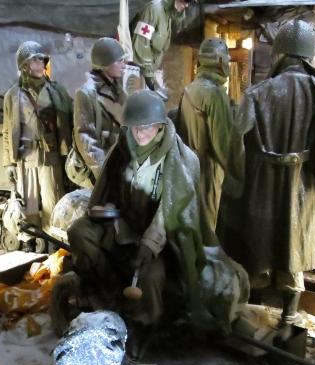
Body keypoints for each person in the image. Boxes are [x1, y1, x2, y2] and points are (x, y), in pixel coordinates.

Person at [67, 90, 248, 343]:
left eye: (146, 128)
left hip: (165, 239)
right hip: (122, 224)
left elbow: (171, 210)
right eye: (134, 128)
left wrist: (150, 244)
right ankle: (107, 289)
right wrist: (105, 213)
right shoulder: (122, 149)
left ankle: (143, 328)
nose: (139, 135)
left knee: (150, 277)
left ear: (160, 127)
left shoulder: (181, 160)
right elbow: (106, 189)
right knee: (78, 232)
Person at [217, 20, 315, 330]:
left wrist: (236, 184)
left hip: (262, 183)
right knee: (294, 247)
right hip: (303, 184)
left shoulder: (257, 93)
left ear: (279, 54)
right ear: (307, 55)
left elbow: (236, 144)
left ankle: (245, 314)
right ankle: (289, 315)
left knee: (256, 243)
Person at [2, 41, 72, 233]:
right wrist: (8, 163)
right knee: (28, 206)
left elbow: (69, 121)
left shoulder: (56, 91)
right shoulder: (13, 95)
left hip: (51, 155)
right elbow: (7, 131)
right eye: (36, 60)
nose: (41, 64)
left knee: (54, 201)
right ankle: (30, 240)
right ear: (24, 66)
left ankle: (54, 239)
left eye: (42, 60)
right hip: (26, 157)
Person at [177, 38, 242, 235]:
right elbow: (224, 145)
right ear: (220, 62)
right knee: (209, 230)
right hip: (209, 173)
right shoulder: (214, 94)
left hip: (189, 169)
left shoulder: (190, 88)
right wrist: (239, 177)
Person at [67, 37, 128, 189]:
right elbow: (86, 139)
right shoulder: (86, 93)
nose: (124, 64)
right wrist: (103, 176)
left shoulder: (119, 90)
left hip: (117, 163)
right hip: (98, 169)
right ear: (105, 64)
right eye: (119, 61)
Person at [130, 0, 195, 92]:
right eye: (185, 1)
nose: (187, 5)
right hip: (138, 72)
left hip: (149, 72)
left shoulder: (167, 15)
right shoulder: (154, 9)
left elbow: (179, 23)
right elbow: (141, 43)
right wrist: (149, 76)